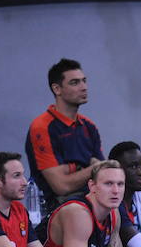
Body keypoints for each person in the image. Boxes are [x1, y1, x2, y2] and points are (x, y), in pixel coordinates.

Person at [25, 58, 104, 219]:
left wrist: (76, 171)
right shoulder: (41, 127)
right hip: (57, 211)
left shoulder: (89, 126)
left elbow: (103, 174)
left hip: (92, 202)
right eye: (75, 83)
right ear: (57, 89)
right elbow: (61, 186)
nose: (84, 87)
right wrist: (94, 168)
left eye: (84, 81)